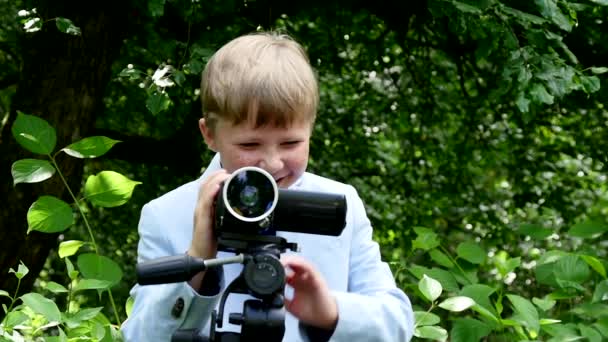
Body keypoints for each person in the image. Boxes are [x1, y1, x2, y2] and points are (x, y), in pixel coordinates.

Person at [120, 31, 414, 341]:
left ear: (311, 129)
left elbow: (396, 324)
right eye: (250, 144)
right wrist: (196, 263)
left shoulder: (339, 205)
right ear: (209, 135)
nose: (272, 163)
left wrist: (330, 311)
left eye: (291, 142)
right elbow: (142, 335)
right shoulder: (166, 216)